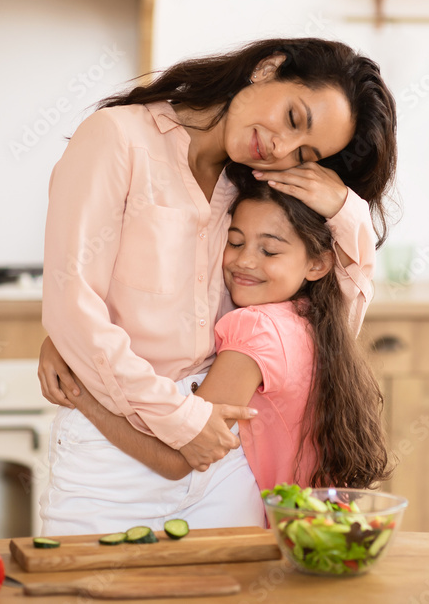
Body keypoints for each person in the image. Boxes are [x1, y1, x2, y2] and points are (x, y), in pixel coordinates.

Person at [37, 38, 397, 533]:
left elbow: (330, 322)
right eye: (294, 118)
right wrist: (181, 420)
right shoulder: (119, 138)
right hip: (117, 451)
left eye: (306, 153)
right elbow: (72, 300)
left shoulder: (253, 186)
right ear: (268, 69)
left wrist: (346, 209)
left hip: (226, 450)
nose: (282, 149)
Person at [56, 165, 390, 531]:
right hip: (309, 525)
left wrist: (83, 395)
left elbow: (177, 459)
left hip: (280, 529)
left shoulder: (255, 329)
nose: (245, 260)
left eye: (269, 251)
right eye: (234, 242)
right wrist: (347, 210)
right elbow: (358, 274)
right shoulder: (320, 319)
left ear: (318, 263)